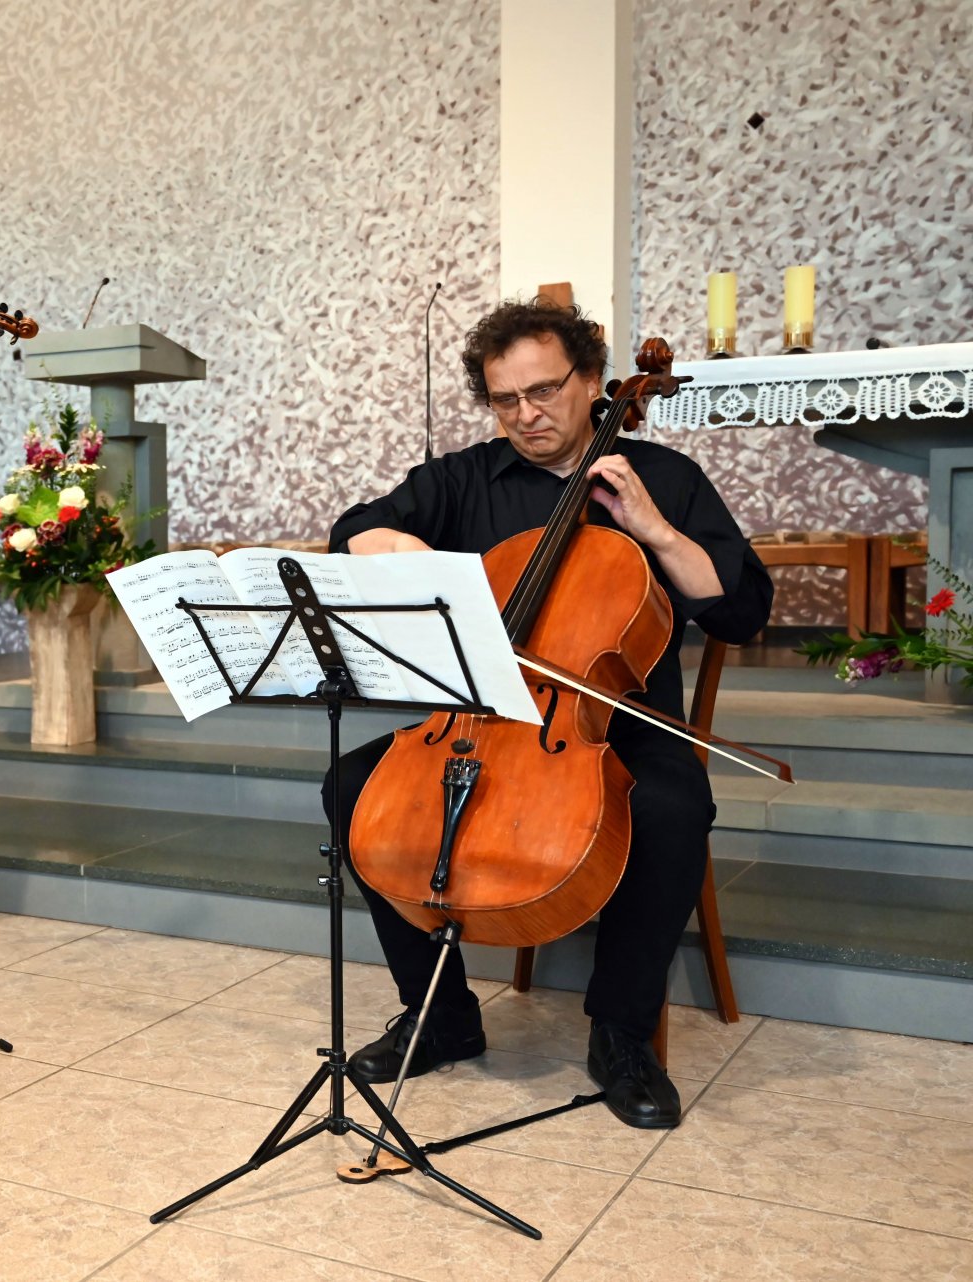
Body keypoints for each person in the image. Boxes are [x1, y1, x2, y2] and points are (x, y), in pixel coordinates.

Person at [323, 299, 772, 1130]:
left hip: (614, 727)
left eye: (543, 391)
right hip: (478, 721)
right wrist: (397, 547)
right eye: (505, 399)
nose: (525, 414)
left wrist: (655, 531)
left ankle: (622, 1035)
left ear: (593, 381)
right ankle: (441, 1016)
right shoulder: (464, 479)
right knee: (353, 786)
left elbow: (741, 611)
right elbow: (353, 530)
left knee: (673, 806)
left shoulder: (664, 478)